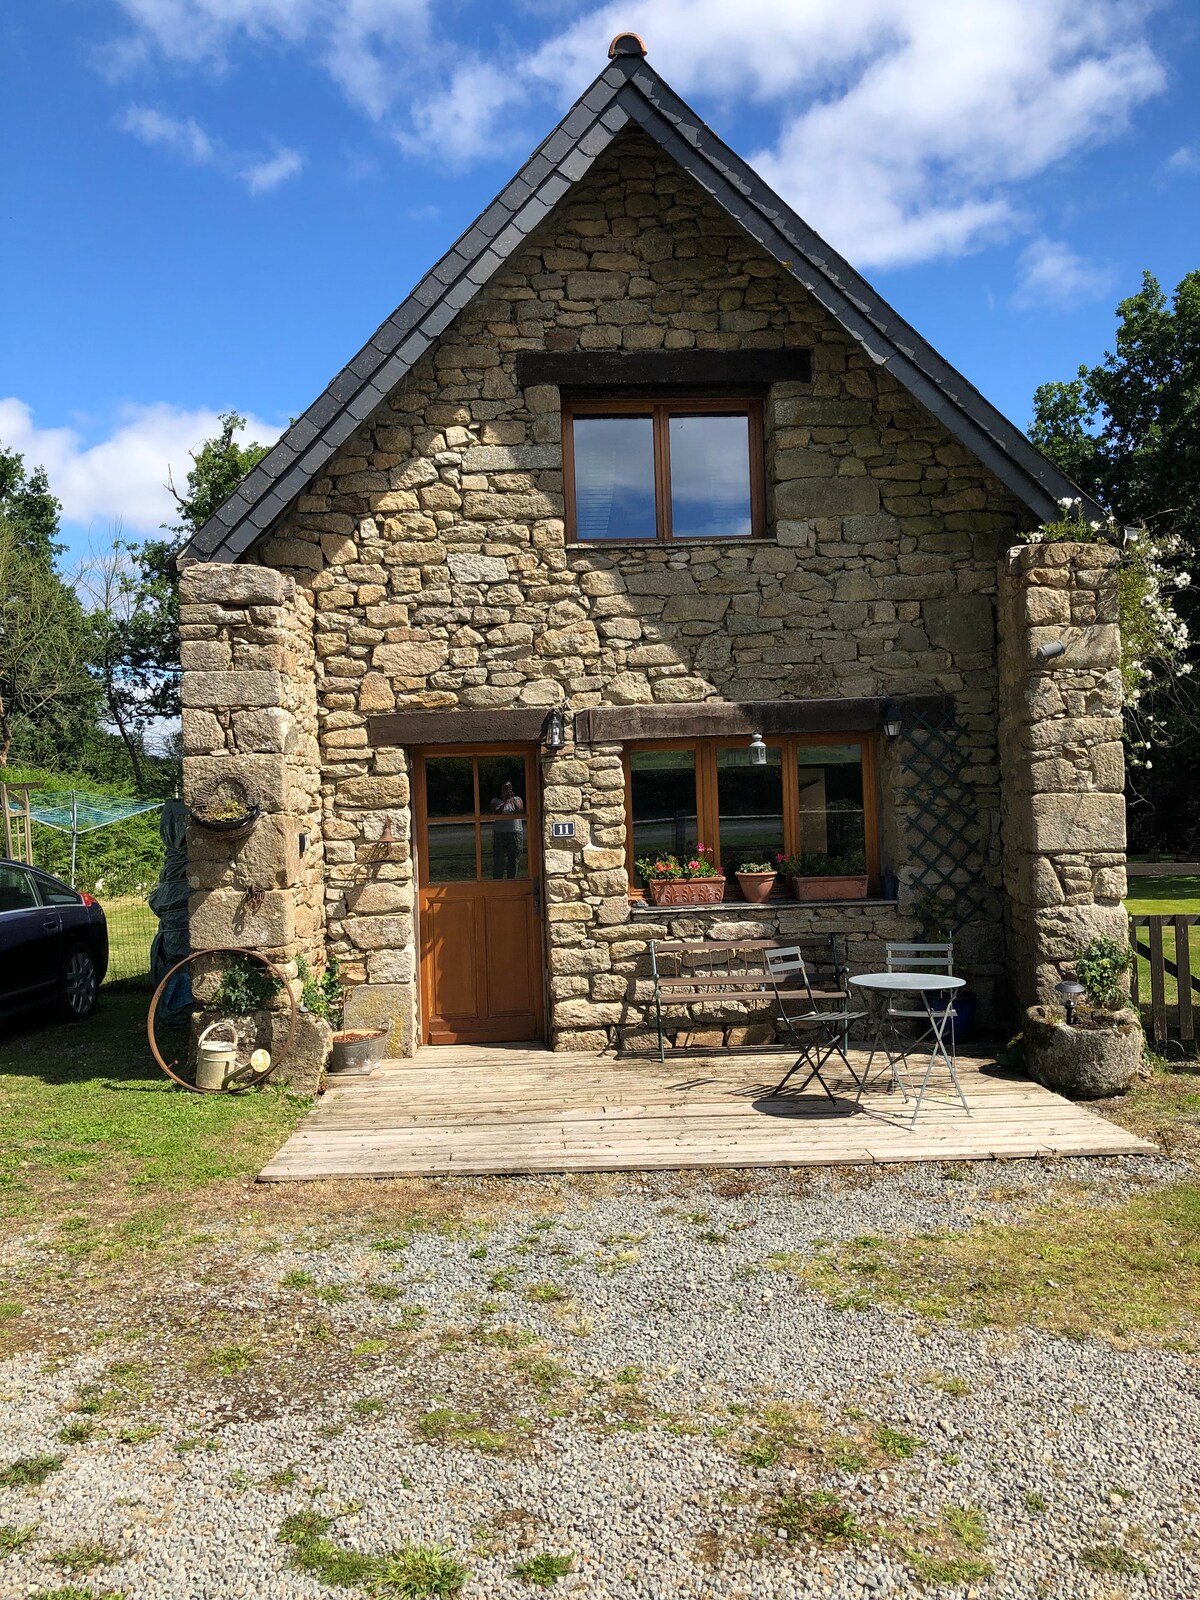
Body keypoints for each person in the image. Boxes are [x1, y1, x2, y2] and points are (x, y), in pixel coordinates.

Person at [489, 780, 525, 878]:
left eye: (509, 789)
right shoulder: (495, 801)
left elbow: (519, 811)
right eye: (505, 789)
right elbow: (497, 812)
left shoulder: (517, 799)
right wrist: (504, 801)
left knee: (513, 859)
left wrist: (512, 799)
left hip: (515, 832)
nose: (507, 791)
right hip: (500, 833)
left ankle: (512, 880)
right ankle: (497, 882)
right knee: (499, 860)